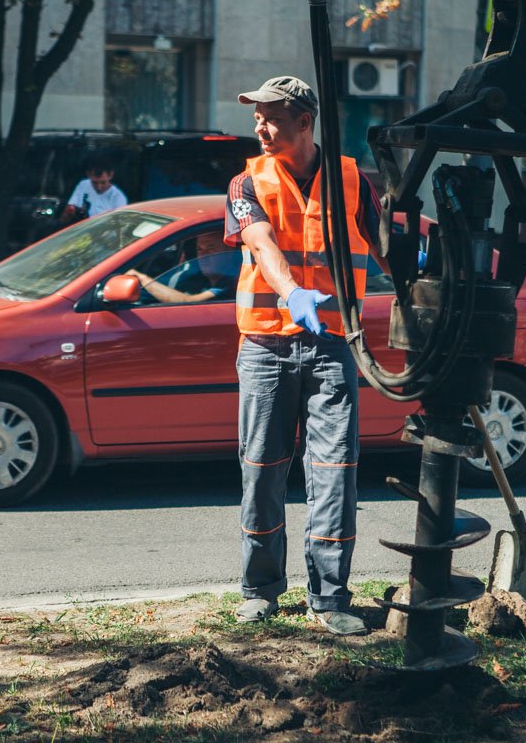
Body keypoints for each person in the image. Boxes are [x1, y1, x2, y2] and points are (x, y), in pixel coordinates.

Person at [225, 76, 387, 636]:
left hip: (331, 344)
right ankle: (260, 591)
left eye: (270, 117)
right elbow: (262, 243)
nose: (261, 128)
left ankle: (330, 598)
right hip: (266, 344)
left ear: (304, 121)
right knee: (263, 470)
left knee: (334, 472)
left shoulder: (351, 179)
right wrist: (292, 292)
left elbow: (384, 245)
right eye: (257, 118)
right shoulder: (246, 180)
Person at [124, 232, 236, 303]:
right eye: (199, 249)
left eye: (210, 249)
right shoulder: (195, 275)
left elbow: (189, 303)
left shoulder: (231, 282)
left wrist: (142, 278)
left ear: (229, 252)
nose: (203, 256)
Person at [65, 157, 128, 221]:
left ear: (111, 175)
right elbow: (69, 208)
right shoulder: (83, 184)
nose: (99, 187)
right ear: (88, 174)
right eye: (94, 183)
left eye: (103, 183)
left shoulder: (118, 198)